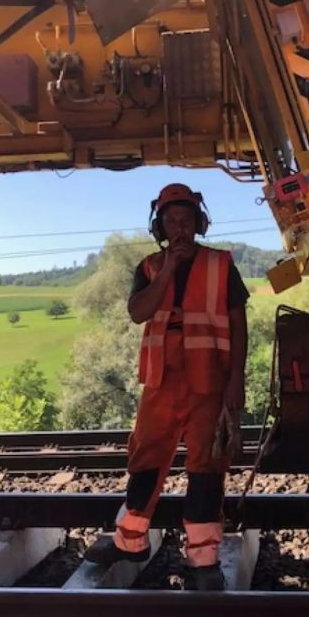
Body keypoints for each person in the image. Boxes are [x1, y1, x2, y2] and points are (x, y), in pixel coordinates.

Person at [84, 183, 250, 591]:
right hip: (161, 380)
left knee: (206, 468)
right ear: (160, 226)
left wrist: (236, 381)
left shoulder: (221, 264)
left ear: (199, 223)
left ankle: (204, 560)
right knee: (144, 461)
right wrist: (170, 270)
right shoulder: (148, 267)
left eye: (186, 220)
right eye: (171, 221)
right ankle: (130, 542)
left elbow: (239, 324)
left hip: (209, 381)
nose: (179, 227)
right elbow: (139, 313)